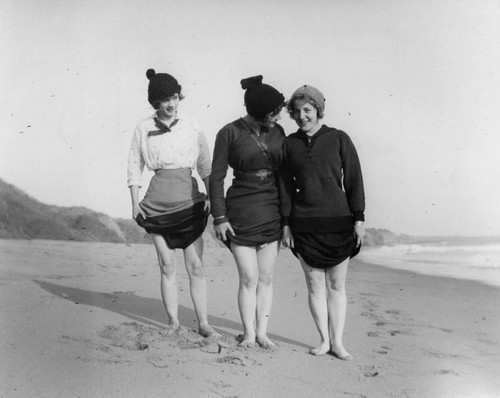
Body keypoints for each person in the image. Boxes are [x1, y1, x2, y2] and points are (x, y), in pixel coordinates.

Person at [127, 68, 218, 338]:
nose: (171, 104)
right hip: (156, 207)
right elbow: (134, 166)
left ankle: (203, 323)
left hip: (189, 203)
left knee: (196, 266)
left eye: (175, 97)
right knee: (167, 266)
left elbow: (206, 167)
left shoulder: (192, 125)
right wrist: (134, 203)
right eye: (165, 99)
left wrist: (212, 197)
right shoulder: (143, 128)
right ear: (155, 102)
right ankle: (173, 323)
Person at [280, 85, 365, 360]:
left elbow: (354, 180)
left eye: (307, 110)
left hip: (339, 223)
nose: (302, 116)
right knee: (315, 285)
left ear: (318, 109)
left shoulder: (339, 138)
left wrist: (359, 219)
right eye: (297, 111)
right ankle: (324, 340)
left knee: (337, 286)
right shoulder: (289, 144)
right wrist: (286, 224)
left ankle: (338, 343)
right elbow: (285, 188)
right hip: (304, 225)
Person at [209, 75, 285, 349]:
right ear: (261, 111)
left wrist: (287, 219)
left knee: (265, 277)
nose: (278, 117)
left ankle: (262, 333)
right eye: (274, 113)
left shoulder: (279, 132)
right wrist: (219, 217)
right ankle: (249, 333)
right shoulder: (228, 132)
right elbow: (216, 177)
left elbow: (284, 176)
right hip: (240, 212)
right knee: (249, 277)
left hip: (271, 211)